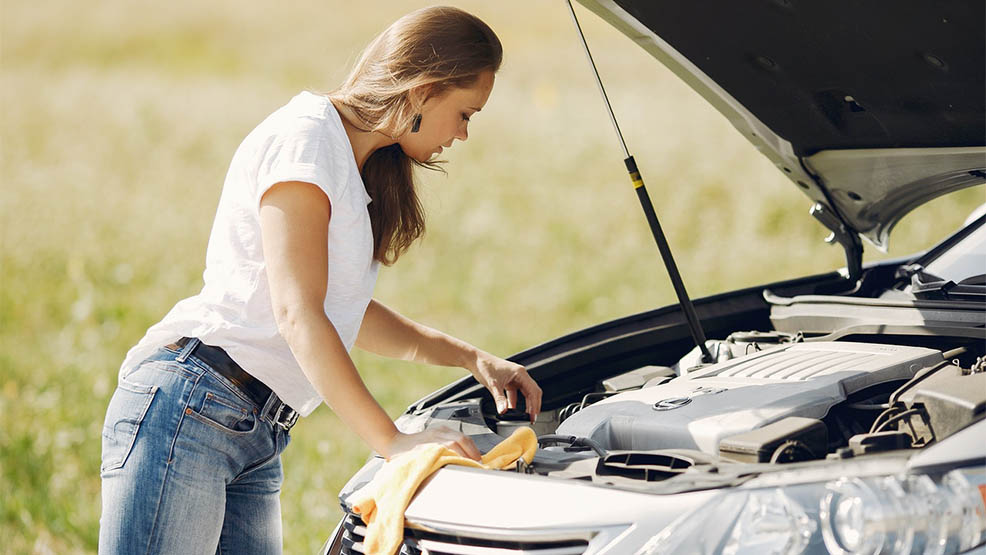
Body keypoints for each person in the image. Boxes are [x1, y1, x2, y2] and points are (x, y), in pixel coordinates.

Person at [98, 6, 542, 553]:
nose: (465, 134)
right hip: (191, 409)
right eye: (466, 113)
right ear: (425, 91)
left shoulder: (355, 167)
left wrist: (474, 359)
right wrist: (392, 442)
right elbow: (297, 313)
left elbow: (344, 313)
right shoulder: (306, 139)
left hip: (255, 432)